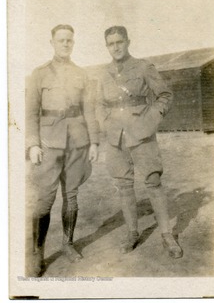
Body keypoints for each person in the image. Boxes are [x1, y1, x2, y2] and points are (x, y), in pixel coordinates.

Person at [96, 26, 183, 258]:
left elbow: (165, 95)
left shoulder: (144, 67)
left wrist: (151, 120)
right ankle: (132, 233)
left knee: (153, 182)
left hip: (141, 134)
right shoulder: (103, 74)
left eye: (119, 42)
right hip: (116, 137)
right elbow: (99, 103)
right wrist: (105, 124)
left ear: (128, 42)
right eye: (110, 43)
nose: (115, 47)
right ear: (106, 46)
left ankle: (167, 234)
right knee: (124, 186)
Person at [26, 24, 99, 277]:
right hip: (48, 144)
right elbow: (30, 113)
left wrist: (95, 142)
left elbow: (89, 110)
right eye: (61, 40)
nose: (66, 44)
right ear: (52, 42)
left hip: (77, 142)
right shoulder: (39, 74)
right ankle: (37, 252)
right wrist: (33, 143)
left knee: (72, 196)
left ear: (73, 43)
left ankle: (67, 244)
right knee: (45, 199)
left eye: (69, 40)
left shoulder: (82, 74)